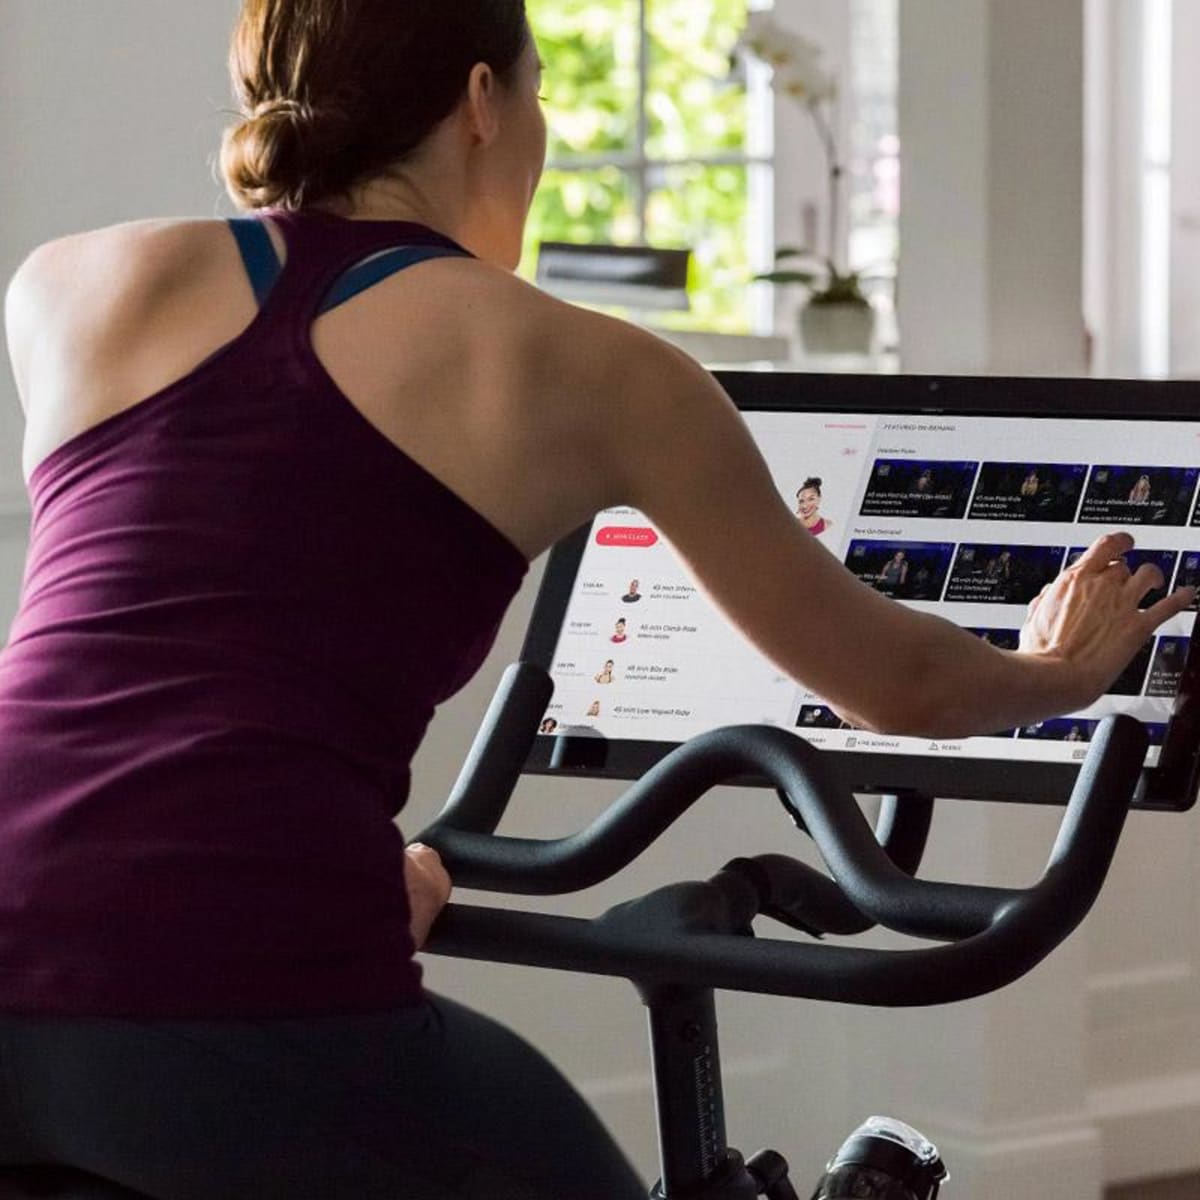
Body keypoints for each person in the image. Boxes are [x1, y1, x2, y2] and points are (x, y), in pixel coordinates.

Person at [0, 1, 1191, 1196]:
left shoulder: (67, 287)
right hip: (228, 968)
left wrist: (330, 878)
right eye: (538, 92)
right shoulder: (589, 367)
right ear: (483, 102)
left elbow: (159, 659)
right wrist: (1061, 670)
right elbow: (902, 683)